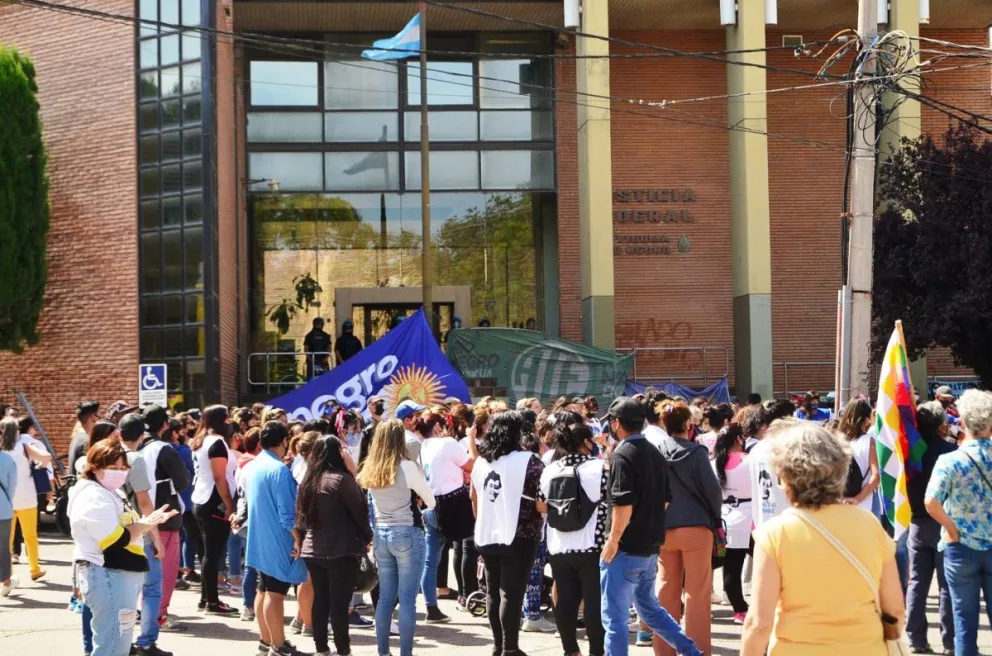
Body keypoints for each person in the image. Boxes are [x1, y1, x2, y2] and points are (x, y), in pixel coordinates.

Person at [740, 421, 904, 656]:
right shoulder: (870, 525)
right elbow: (895, 611)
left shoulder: (774, 534)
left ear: (784, 474)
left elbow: (758, 624)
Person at [598, 398, 700, 656]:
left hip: (625, 549)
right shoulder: (655, 451)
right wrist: (647, 522)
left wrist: (613, 540)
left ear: (617, 423)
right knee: (650, 610)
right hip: (650, 546)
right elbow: (665, 499)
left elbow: (622, 505)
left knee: (615, 620)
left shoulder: (623, 454)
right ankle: (691, 652)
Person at [68, 438, 178, 656]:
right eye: (112, 468)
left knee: (118, 644)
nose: (119, 473)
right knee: (111, 647)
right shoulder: (93, 495)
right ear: (95, 468)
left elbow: (129, 528)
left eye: (122, 468)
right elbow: (115, 540)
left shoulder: (109, 491)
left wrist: (147, 524)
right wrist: (146, 525)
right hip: (108, 577)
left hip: (120, 579)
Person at [470, 411, 548, 656]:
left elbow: (474, 497)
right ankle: (510, 648)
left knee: (493, 592)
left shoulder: (481, 462)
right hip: (520, 533)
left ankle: (498, 645)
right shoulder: (530, 460)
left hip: (486, 532)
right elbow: (542, 498)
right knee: (512, 594)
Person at [358, 419, 435, 656]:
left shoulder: (371, 468)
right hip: (407, 532)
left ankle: (383, 652)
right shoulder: (407, 466)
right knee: (408, 599)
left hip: (381, 533)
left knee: (384, 599)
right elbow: (431, 501)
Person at [924, 388, 992, 656]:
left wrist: (951, 529)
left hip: (960, 546)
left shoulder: (950, 460)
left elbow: (931, 501)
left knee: (964, 621)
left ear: (962, 422)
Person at [654, 401, 722, 656]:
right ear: (687, 425)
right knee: (697, 592)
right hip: (696, 526)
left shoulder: (656, 453)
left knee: (665, 590)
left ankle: (664, 649)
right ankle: (697, 650)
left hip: (664, 528)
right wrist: (715, 518)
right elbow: (713, 491)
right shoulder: (697, 453)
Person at [296, 435, 371, 656]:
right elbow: (360, 512)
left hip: (313, 549)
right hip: (341, 549)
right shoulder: (342, 479)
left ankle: (321, 647)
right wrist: (367, 538)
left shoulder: (308, 480)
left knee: (321, 599)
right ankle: (343, 648)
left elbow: (300, 519)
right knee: (339, 603)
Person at [540, 412, 607, 656]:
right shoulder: (599, 467)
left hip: (558, 544)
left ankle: (571, 650)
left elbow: (540, 504)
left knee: (565, 600)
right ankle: (597, 651)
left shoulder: (550, 469)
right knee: (594, 602)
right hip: (591, 543)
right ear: (586, 442)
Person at [243, 421, 309, 656]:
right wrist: (298, 538)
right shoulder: (279, 469)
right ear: (284, 442)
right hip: (278, 538)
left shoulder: (252, 465)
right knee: (276, 592)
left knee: (264, 588)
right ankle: (279, 646)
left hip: (259, 535)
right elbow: (287, 513)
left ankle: (267, 640)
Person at [133, 405, 190, 651]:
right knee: (163, 574)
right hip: (164, 516)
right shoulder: (164, 449)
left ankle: (146, 614)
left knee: (144, 575)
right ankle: (160, 616)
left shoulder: (135, 449)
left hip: (137, 518)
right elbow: (184, 480)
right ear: (164, 425)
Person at [905, 401, 956, 655]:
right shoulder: (949, 451)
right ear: (940, 424)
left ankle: (915, 638)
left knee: (917, 582)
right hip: (943, 522)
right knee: (946, 585)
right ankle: (950, 642)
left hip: (915, 522)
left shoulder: (908, 453)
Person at [420, 411, 474, 624]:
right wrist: (470, 439)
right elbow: (471, 464)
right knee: (473, 545)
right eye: (444, 424)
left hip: (431, 504)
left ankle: (431, 608)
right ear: (437, 427)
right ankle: (476, 595)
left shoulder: (424, 445)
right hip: (453, 504)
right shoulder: (447, 443)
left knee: (430, 561)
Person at [190, 405, 238, 615]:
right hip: (213, 500)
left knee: (207, 553)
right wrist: (230, 504)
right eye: (227, 419)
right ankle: (212, 601)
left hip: (201, 497)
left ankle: (205, 597)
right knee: (213, 553)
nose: (230, 422)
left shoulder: (201, 440)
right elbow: (219, 476)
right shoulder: (216, 442)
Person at [3, 414, 52, 582]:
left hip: (6, 500)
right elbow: (46, 457)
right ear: (17, 431)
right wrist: (38, 466)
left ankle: (6, 574)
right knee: (30, 535)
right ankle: (34, 569)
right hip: (26, 497)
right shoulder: (25, 447)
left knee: (6, 538)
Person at [711, 423, 751, 623]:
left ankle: (739, 610)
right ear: (738, 439)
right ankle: (742, 609)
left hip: (724, 517)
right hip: (749, 518)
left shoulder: (715, 462)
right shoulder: (749, 460)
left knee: (730, 566)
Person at [837, 398, 881, 513]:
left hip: (840, 503)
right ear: (866, 419)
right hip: (866, 503)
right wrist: (857, 499)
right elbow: (875, 477)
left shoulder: (837, 440)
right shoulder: (868, 441)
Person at [0, 424, 16, 597]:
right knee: (3, 547)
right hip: (3, 508)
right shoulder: (8, 459)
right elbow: (11, 487)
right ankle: (5, 580)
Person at [68, 401, 101, 474]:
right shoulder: (87, 441)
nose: (100, 419)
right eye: (99, 416)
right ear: (93, 417)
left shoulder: (77, 437)